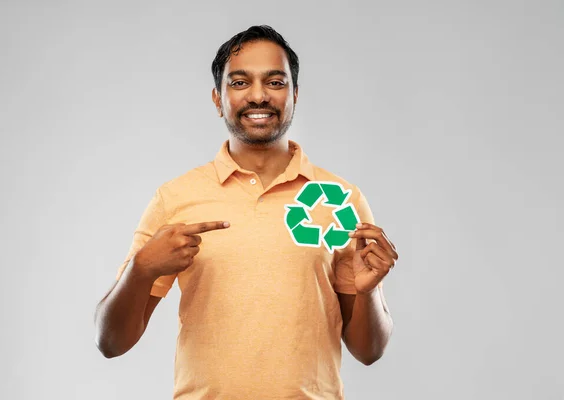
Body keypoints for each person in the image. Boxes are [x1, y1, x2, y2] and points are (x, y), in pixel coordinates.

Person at [94, 25, 399, 399]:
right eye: (239, 83)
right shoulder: (175, 199)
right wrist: (142, 269)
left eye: (275, 82)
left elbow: (369, 351)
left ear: (295, 95)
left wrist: (368, 295)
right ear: (217, 99)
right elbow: (109, 342)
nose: (258, 96)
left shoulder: (341, 199)